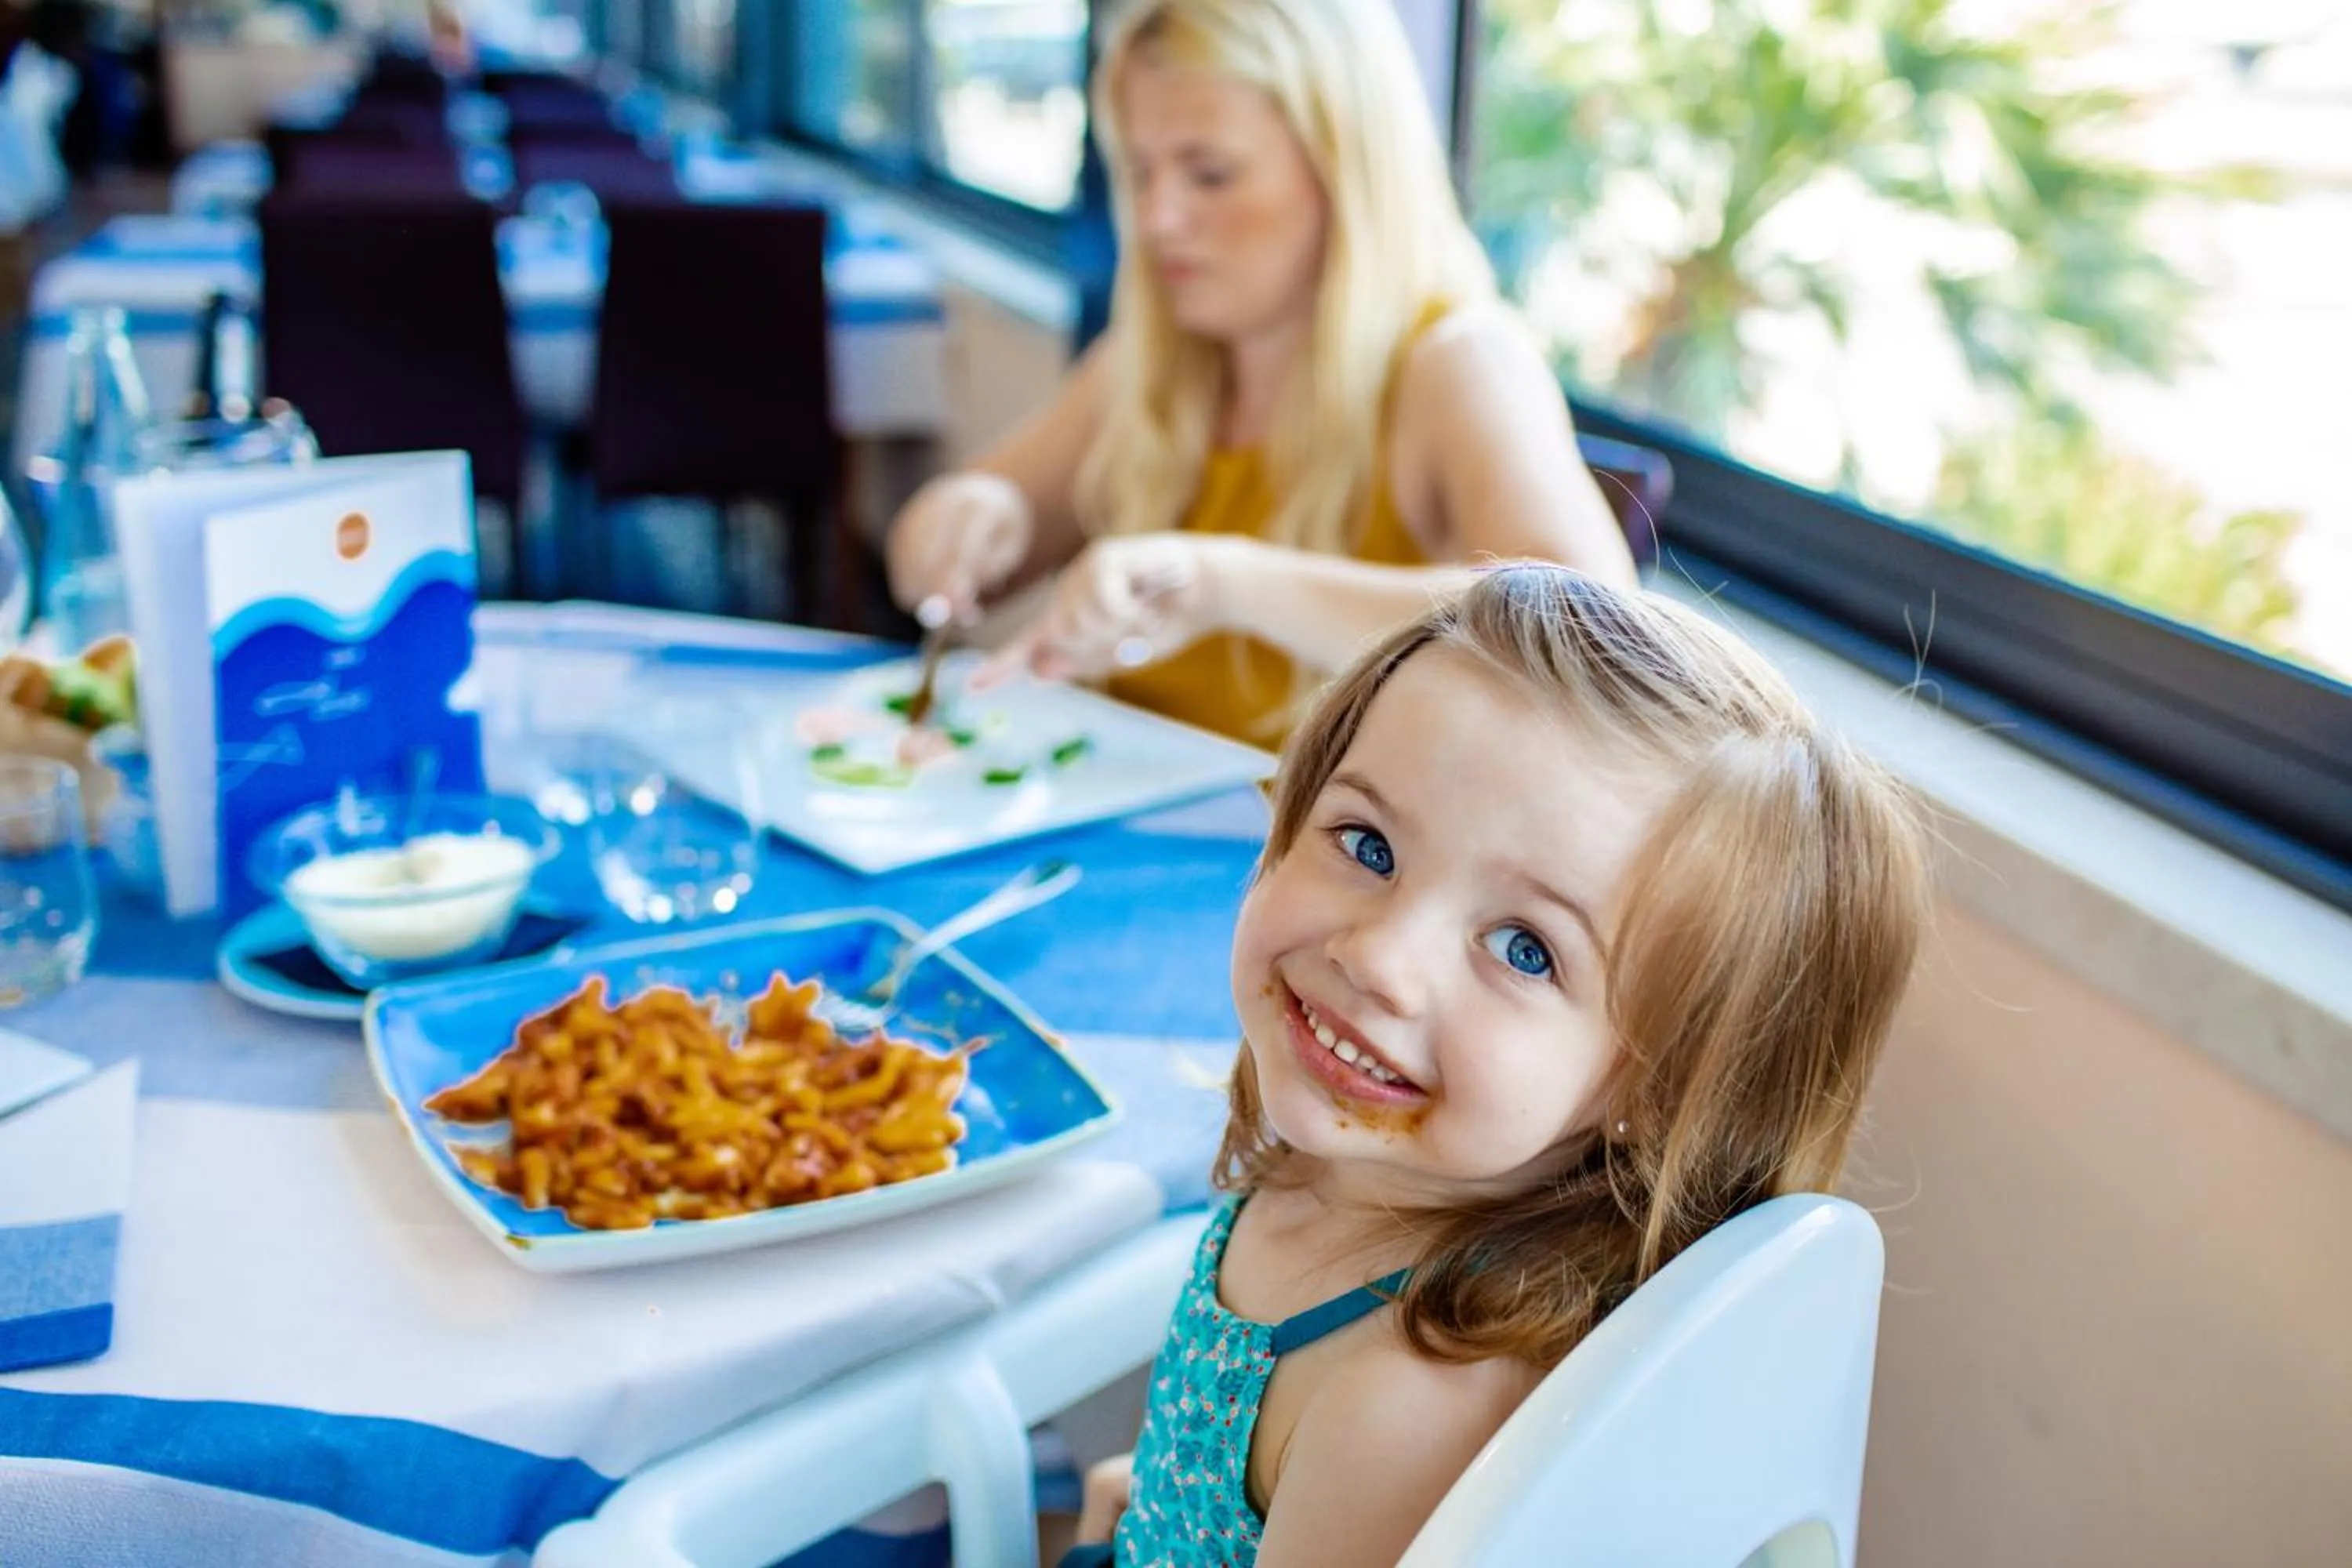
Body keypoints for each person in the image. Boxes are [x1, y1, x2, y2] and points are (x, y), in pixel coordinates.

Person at [1057, 564, 1932, 1566]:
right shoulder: (1352, 1166)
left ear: (1664, 1087)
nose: (1379, 958)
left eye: (1525, 947)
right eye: (1369, 843)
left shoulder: (1405, 1409)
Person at [886, 0, 1639, 747]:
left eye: (1210, 174)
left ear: (1344, 170)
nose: (1157, 220)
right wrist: (965, 517)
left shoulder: (1458, 363)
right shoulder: (1150, 361)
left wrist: (1228, 585)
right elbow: (961, 539)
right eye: (1141, 173)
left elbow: (1592, 632)